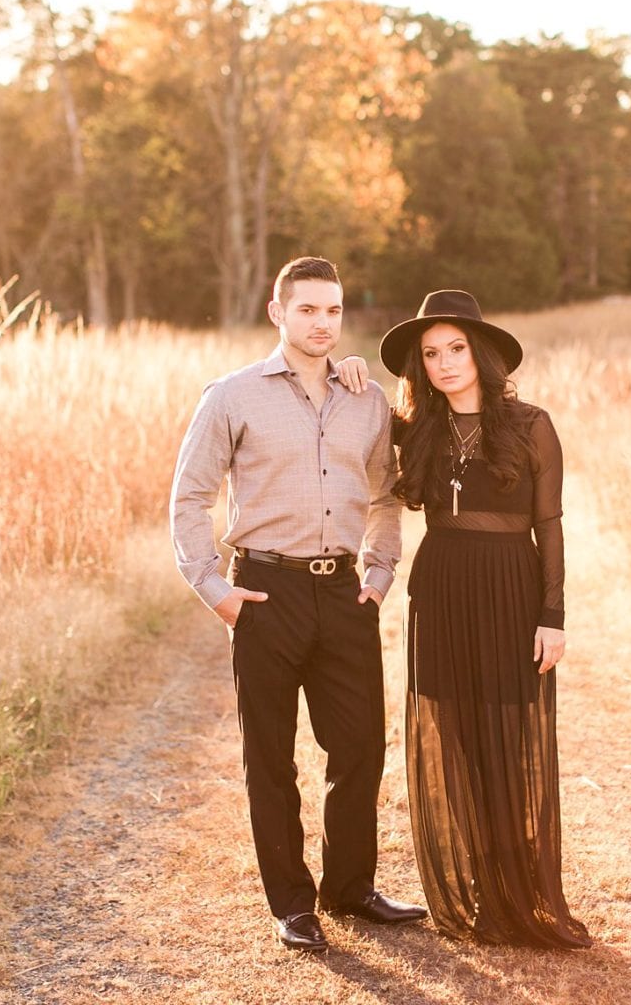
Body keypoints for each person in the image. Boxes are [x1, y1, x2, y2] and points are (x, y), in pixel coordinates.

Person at [169, 256, 429, 954]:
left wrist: (378, 575)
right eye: (308, 309)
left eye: (333, 311)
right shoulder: (231, 396)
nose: (322, 323)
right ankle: (292, 903)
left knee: (359, 748)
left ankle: (350, 888)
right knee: (270, 757)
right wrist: (216, 591)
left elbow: (384, 497)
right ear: (276, 311)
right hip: (264, 591)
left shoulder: (365, 398)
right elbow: (190, 497)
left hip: (345, 593)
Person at [342, 288, 591, 948]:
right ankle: (479, 894)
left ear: (479, 353)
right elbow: (357, 420)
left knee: (506, 740)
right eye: (430, 354)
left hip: (510, 586)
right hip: (443, 589)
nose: (445, 362)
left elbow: (550, 525)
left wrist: (553, 613)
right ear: (418, 367)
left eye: (455, 348)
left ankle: (521, 895)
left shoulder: (531, 425)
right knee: (453, 735)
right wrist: (353, 373)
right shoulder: (417, 428)